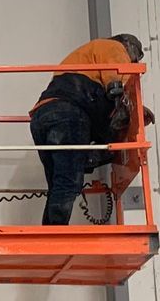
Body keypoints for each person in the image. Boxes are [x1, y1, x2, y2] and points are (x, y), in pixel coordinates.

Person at [30, 34, 150, 225]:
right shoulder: (114, 47)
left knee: (58, 183)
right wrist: (132, 108)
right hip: (69, 112)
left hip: (42, 116)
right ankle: (55, 235)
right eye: (134, 57)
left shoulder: (86, 56)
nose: (134, 62)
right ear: (128, 46)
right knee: (69, 181)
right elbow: (118, 81)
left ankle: (50, 231)